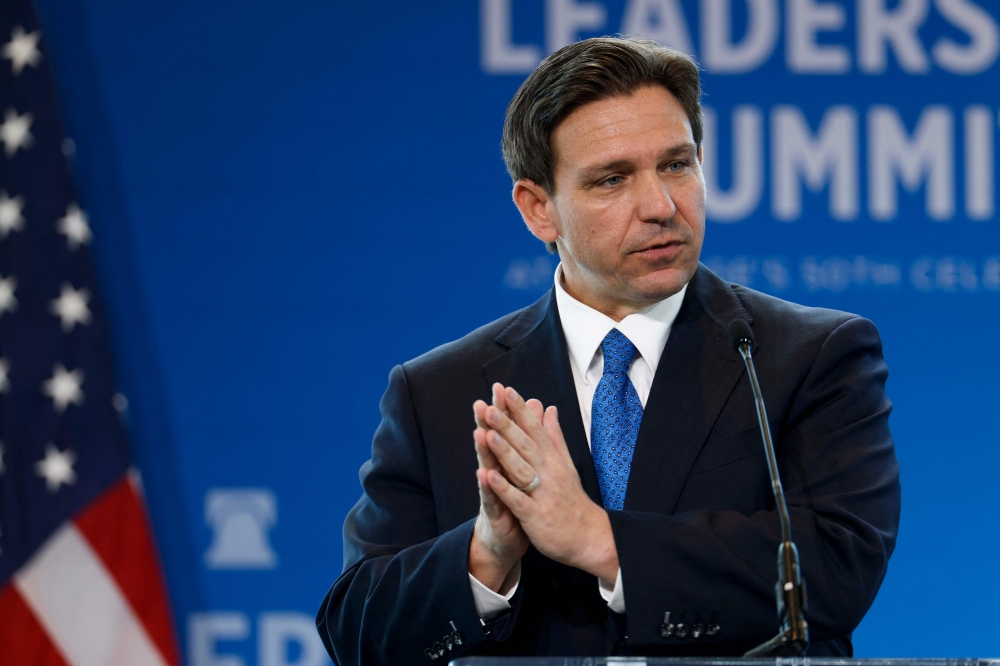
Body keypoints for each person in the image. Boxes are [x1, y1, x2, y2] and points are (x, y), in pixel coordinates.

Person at [316, 37, 900, 663]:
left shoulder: (806, 356)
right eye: (613, 179)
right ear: (539, 210)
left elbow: (837, 570)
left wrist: (598, 538)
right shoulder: (441, 390)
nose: (661, 206)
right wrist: (487, 552)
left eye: (677, 164)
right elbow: (357, 631)